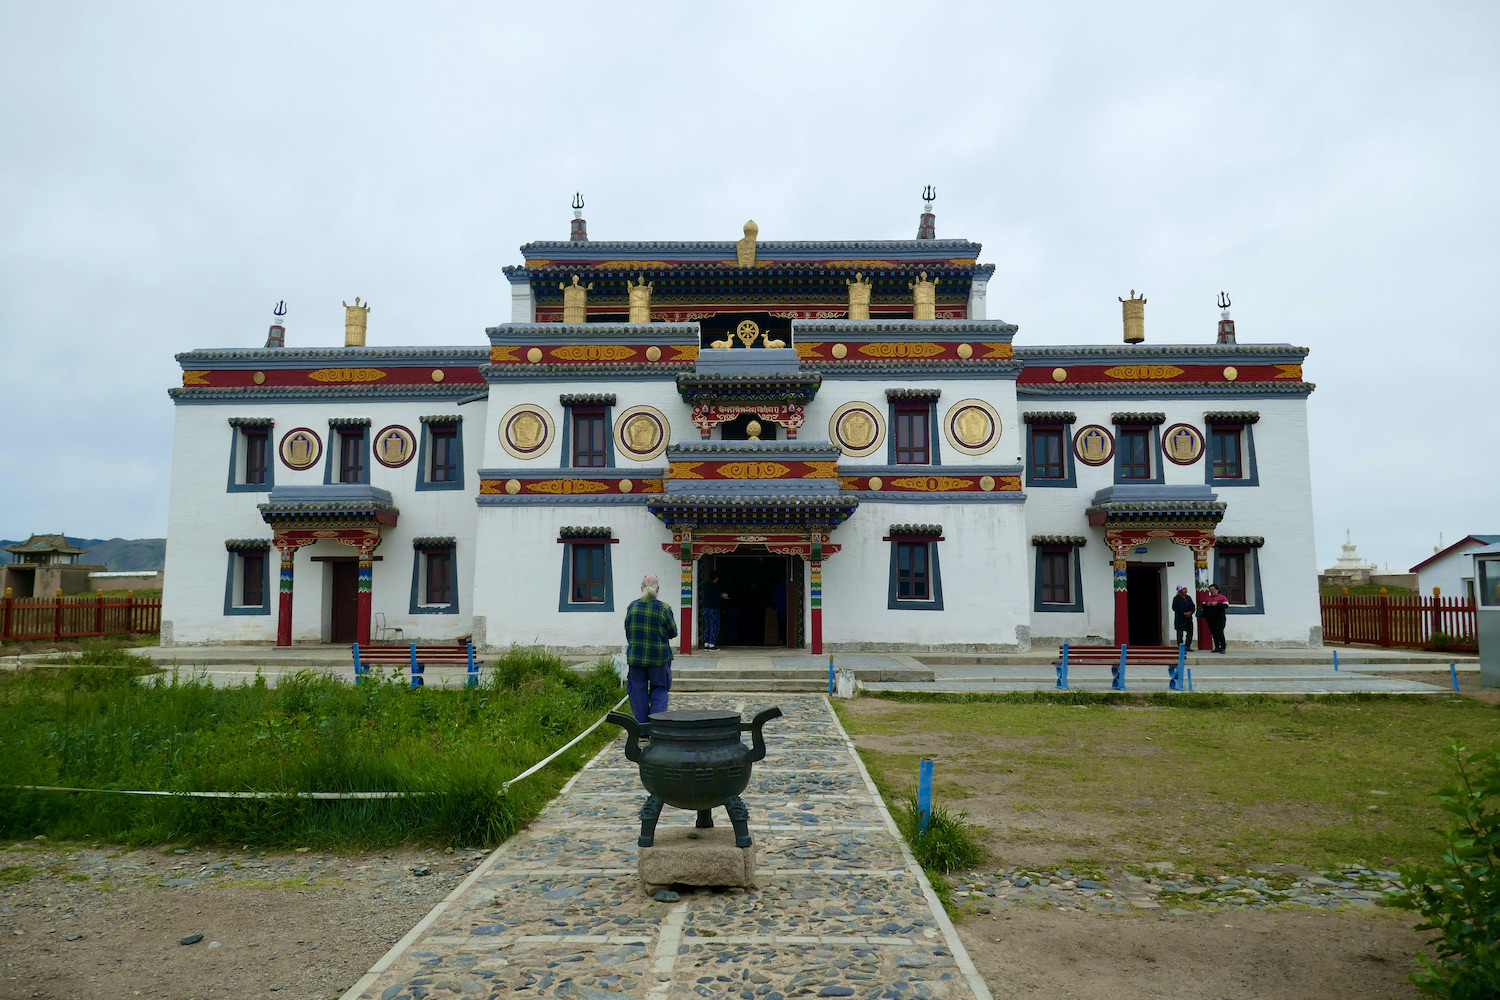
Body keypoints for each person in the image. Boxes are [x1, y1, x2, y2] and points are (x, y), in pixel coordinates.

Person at [623, 573, 678, 723]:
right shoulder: (664, 608)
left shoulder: (632, 607)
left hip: (636, 657)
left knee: (637, 691)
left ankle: (642, 728)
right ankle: (656, 725)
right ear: (658, 589)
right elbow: (673, 632)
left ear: (641, 588)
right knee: (660, 689)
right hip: (659, 657)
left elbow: (627, 630)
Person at [700, 568, 726, 650]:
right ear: (716, 578)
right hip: (713, 608)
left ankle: (706, 644)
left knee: (707, 626)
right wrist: (723, 596)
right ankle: (712, 645)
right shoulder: (714, 586)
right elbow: (717, 596)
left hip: (705, 608)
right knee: (714, 626)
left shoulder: (705, 585)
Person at [1199, 583, 1230, 653]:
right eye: (1210, 590)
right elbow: (1202, 605)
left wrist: (1217, 604)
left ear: (1217, 590)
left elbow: (1226, 605)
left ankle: (1222, 647)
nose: (1211, 591)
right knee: (1213, 632)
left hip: (1219, 617)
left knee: (1219, 632)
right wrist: (1207, 604)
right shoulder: (1208, 598)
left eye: (1213, 590)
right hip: (1210, 617)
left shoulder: (1222, 597)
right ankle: (1216, 647)